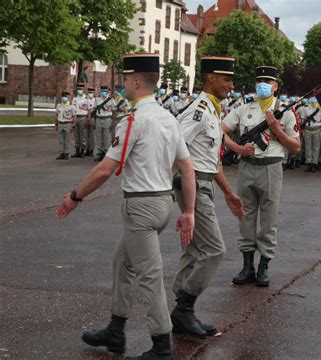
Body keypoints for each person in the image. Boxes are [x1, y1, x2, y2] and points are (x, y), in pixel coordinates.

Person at [57, 53, 196, 360]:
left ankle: (162, 345)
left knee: (149, 275)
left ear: (136, 81)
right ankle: (115, 331)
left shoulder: (134, 121)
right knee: (123, 263)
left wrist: (75, 196)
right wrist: (188, 211)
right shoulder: (169, 119)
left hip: (141, 208)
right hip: (162, 203)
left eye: (124, 81)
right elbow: (186, 169)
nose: (122, 86)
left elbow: (105, 169)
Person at [171, 56, 244, 338]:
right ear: (210, 78)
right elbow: (175, 147)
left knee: (195, 249)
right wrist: (165, 186)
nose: (231, 84)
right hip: (193, 186)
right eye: (226, 79)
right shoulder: (199, 110)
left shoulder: (212, 111)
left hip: (204, 184)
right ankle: (184, 308)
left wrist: (228, 192)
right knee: (214, 250)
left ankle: (181, 308)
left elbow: (211, 161)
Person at [222, 66, 300, 287]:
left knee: (269, 218)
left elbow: (295, 146)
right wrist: (237, 148)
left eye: (268, 81)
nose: (262, 85)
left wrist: (277, 129)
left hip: (271, 167)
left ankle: (264, 265)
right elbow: (220, 129)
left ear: (276, 86)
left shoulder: (284, 111)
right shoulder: (244, 108)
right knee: (245, 215)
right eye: (259, 81)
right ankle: (247, 265)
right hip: (247, 166)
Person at [94, 85, 116, 162]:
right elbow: (95, 110)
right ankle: (100, 153)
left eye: (105, 91)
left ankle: (107, 154)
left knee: (107, 136)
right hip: (99, 119)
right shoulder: (97, 99)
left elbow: (114, 111)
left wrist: (113, 121)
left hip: (107, 119)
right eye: (102, 91)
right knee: (99, 136)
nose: (103, 93)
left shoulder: (111, 100)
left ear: (107, 92)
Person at [55, 91, 76, 160]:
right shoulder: (59, 105)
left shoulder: (71, 106)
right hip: (60, 123)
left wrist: (73, 125)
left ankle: (67, 153)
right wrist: (56, 124)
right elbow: (56, 115)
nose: (64, 98)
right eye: (63, 97)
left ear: (68, 97)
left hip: (68, 123)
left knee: (67, 139)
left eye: (66, 97)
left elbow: (74, 116)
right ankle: (61, 152)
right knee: (61, 139)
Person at [71, 83, 89, 158]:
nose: (79, 90)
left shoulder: (86, 99)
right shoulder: (75, 99)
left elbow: (89, 109)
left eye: (81, 89)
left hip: (83, 117)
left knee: (83, 135)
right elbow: (72, 108)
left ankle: (82, 151)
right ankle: (77, 151)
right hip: (76, 117)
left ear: (83, 89)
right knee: (76, 135)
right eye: (78, 89)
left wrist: (87, 119)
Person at [84, 87, 96, 156]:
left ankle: (91, 149)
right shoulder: (85, 100)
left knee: (92, 136)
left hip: (92, 118)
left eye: (91, 92)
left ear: (93, 93)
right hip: (85, 117)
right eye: (89, 92)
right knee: (86, 135)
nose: (90, 94)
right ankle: (87, 149)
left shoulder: (95, 100)